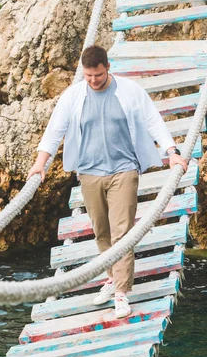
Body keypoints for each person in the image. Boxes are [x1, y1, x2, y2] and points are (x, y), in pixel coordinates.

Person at [28, 45, 187, 318]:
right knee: (101, 233)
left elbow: (152, 120)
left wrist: (172, 152)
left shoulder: (129, 90)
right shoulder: (74, 96)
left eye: (98, 75)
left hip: (123, 171)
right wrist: (39, 164)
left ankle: (122, 292)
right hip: (89, 173)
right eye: (89, 76)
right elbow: (54, 131)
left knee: (122, 233)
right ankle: (112, 278)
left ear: (108, 67)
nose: (93, 81)